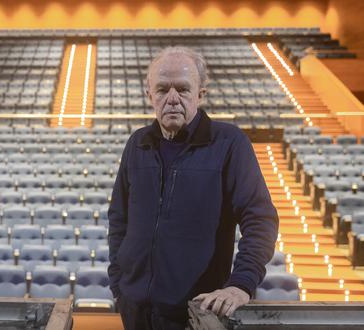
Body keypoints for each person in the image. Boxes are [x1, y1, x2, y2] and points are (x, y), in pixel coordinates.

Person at [107, 46, 279, 329]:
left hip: (197, 313)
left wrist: (241, 284)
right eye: (162, 89)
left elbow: (260, 218)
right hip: (135, 310)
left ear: (201, 94)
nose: (172, 98)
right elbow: (119, 219)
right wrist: (119, 284)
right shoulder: (137, 144)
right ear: (149, 95)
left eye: (183, 89)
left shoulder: (229, 143)